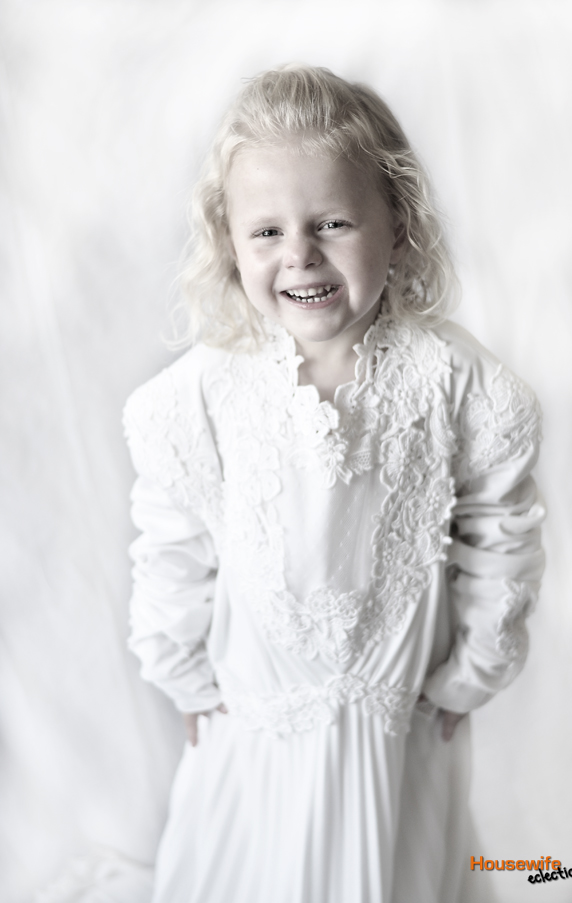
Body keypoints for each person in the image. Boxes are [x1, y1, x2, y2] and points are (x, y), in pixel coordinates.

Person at [123, 65, 545, 903]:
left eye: (333, 222)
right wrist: (182, 669)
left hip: (398, 734)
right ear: (229, 242)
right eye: (267, 231)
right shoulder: (200, 397)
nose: (300, 254)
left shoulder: (458, 384)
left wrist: (474, 667)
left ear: (399, 226)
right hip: (255, 734)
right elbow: (172, 546)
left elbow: (501, 534)